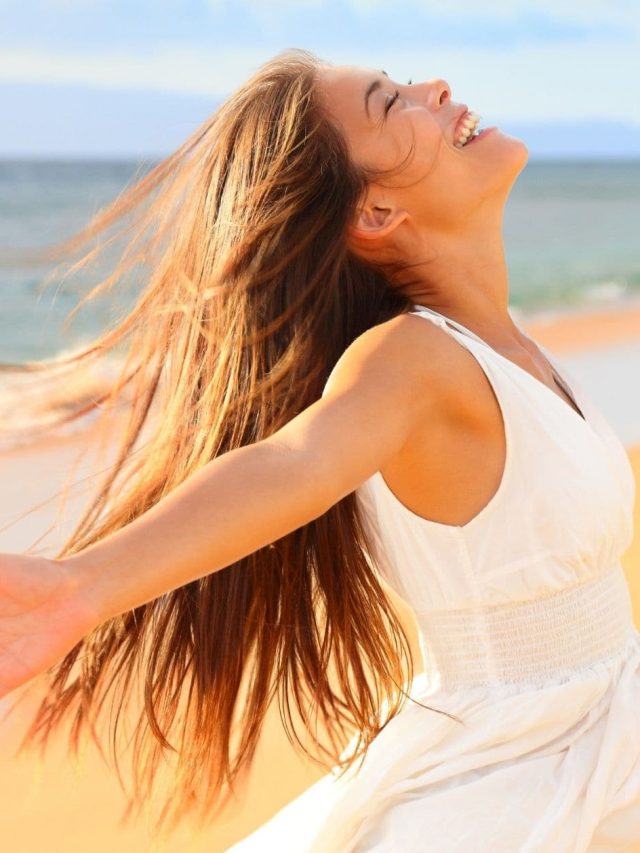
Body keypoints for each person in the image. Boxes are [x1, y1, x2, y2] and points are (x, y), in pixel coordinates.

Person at [0, 47, 638, 851]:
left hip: (604, 720)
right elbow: (294, 461)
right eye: (390, 100)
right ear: (374, 214)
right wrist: (80, 587)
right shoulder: (411, 359)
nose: (435, 86)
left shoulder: (505, 347)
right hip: (522, 773)